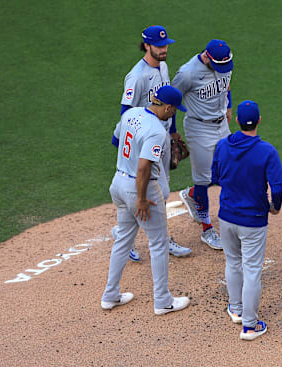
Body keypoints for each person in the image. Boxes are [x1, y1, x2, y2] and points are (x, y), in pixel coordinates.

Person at [101, 86, 191, 316]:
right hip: (139, 189)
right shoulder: (157, 131)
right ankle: (163, 301)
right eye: (174, 110)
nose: (173, 115)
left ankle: (110, 295)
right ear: (167, 107)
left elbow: (116, 141)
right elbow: (143, 168)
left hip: (118, 183)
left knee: (123, 239)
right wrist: (141, 199)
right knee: (159, 243)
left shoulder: (131, 114)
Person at [110, 25, 191, 260]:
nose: (164, 50)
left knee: (161, 191)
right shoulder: (136, 76)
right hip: (143, 140)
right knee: (145, 189)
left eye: (165, 45)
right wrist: (129, 147)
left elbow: (168, 101)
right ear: (146, 45)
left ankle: (155, 236)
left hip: (161, 136)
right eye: (159, 46)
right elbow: (126, 113)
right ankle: (126, 234)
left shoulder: (163, 67)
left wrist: (173, 132)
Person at [211, 100, 282, 340]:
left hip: (227, 217)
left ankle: (236, 309)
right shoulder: (267, 151)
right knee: (252, 270)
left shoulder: (222, 146)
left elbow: (215, 177)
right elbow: (277, 189)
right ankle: (250, 325)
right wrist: (274, 208)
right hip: (253, 220)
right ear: (259, 120)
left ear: (236, 121)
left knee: (233, 262)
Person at [173, 39, 235, 250]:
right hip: (199, 128)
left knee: (227, 170)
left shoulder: (224, 63)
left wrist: (229, 106)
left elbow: (227, 85)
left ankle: (191, 195)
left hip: (221, 124)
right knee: (203, 180)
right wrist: (172, 132)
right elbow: (172, 99)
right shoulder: (188, 73)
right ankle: (207, 229)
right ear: (208, 56)